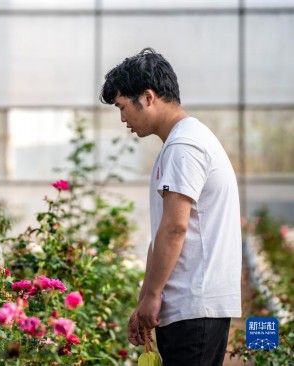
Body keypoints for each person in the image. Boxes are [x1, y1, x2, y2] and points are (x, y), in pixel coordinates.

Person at [100, 48, 242, 365]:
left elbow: (175, 228)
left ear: (148, 97)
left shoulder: (184, 145)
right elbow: (163, 231)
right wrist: (144, 299)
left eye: (123, 107)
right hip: (189, 305)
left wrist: (152, 295)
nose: (123, 118)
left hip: (194, 307)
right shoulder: (183, 141)